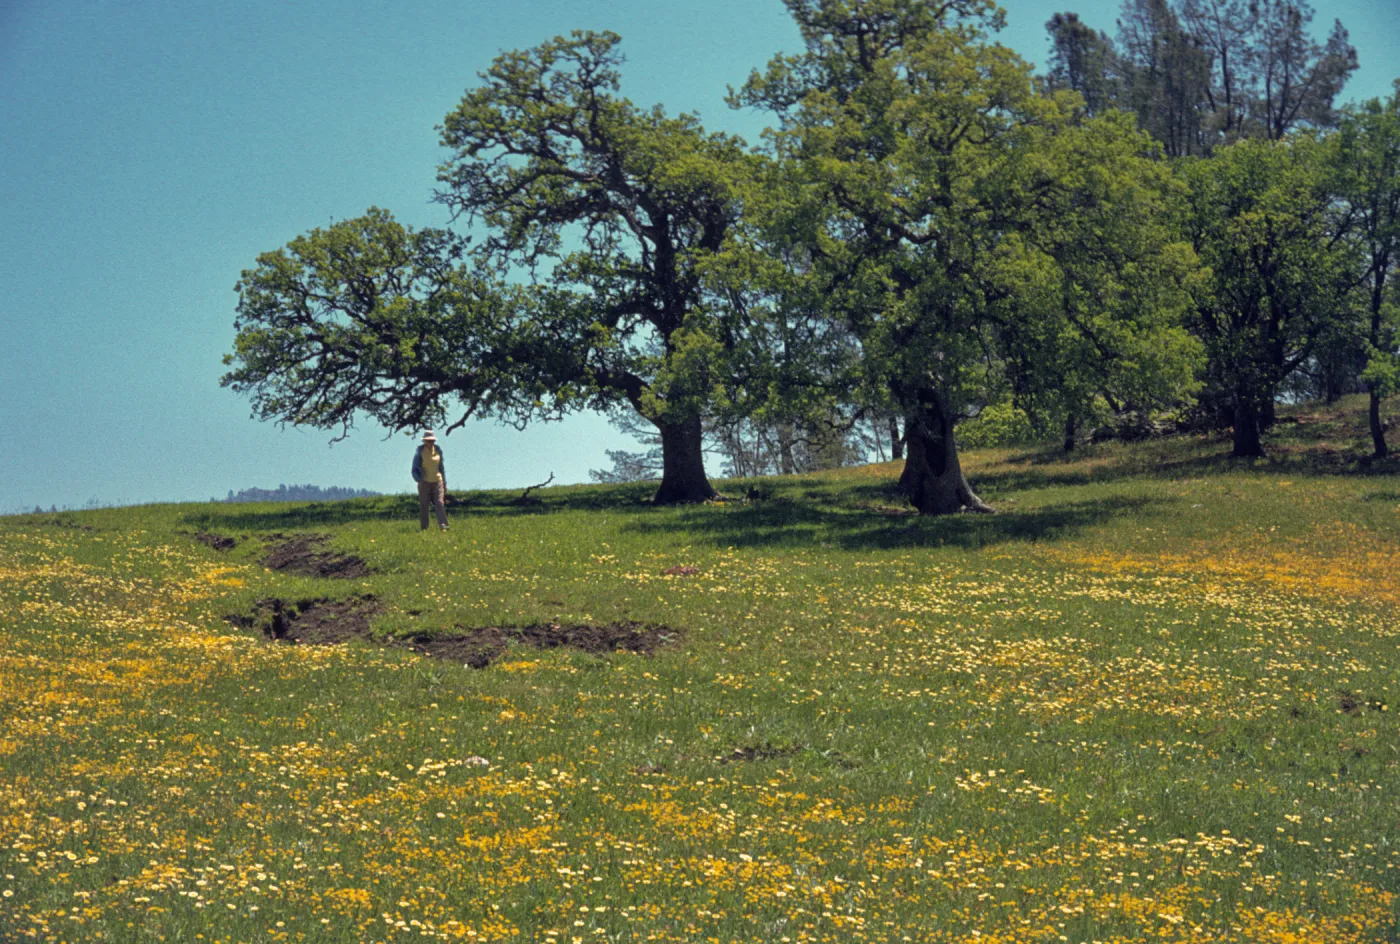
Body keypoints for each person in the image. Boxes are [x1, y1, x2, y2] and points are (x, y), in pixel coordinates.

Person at [411, 431, 448, 531]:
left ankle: (443, 525)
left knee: (439, 503)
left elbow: (441, 467)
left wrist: (444, 482)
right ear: (424, 441)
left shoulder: (438, 450)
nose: (430, 443)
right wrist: (418, 479)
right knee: (424, 505)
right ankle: (424, 528)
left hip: (437, 480)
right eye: (428, 441)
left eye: (432, 441)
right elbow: (414, 468)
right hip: (425, 482)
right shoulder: (420, 451)